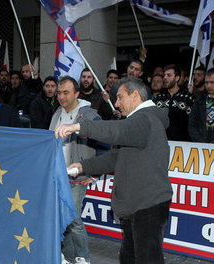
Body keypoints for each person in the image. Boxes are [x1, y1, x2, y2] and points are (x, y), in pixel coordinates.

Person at [55, 78, 173, 264]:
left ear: (135, 95)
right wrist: (83, 166)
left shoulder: (145, 119)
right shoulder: (138, 123)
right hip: (135, 205)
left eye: (119, 97)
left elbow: (115, 130)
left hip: (148, 205)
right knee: (129, 257)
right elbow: (115, 157)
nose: (116, 104)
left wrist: (78, 126)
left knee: (147, 259)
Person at [49, 76, 108, 264]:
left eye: (66, 92)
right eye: (59, 92)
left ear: (76, 93)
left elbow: (106, 146)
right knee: (59, 217)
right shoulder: (57, 113)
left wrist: (93, 174)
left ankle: (83, 257)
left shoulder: (90, 116)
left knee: (73, 218)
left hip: (78, 176)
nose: (61, 96)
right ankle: (66, 255)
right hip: (57, 176)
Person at [153, 64, 194, 141]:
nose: (165, 78)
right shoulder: (157, 98)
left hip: (182, 145)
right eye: (164, 75)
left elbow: (193, 123)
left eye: (169, 75)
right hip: (160, 142)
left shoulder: (188, 98)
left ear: (177, 78)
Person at [188, 68, 214, 144]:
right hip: (202, 147)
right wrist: (202, 143)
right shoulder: (199, 101)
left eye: (212, 82)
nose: (208, 85)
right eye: (206, 82)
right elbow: (192, 126)